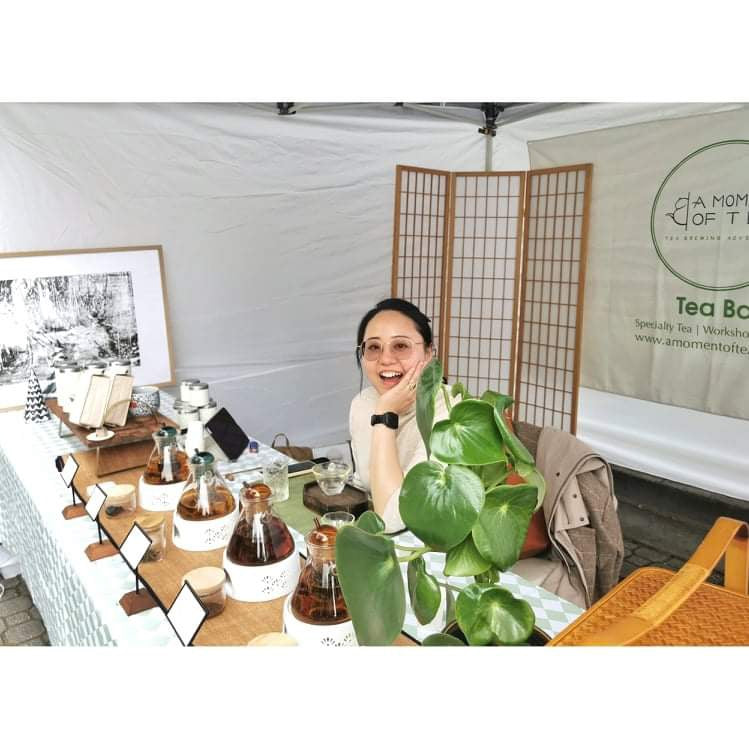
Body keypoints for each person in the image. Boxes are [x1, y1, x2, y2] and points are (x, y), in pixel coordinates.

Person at [349, 298, 449, 533]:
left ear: (429, 353)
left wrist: (385, 415)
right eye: (374, 347)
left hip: (431, 549)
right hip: (381, 541)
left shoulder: (449, 416)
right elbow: (363, 484)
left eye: (401, 346)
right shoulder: (363, 404)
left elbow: (392, 520)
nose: (386, 359)